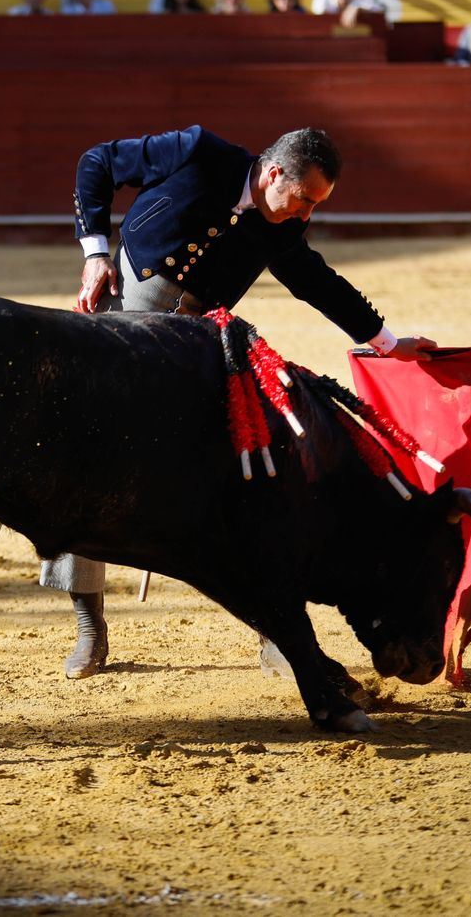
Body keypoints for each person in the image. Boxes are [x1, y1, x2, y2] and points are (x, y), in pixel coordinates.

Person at [51, 126, 438, 678]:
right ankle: (90, 624)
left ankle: (275, 633)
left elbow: (316, 283)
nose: (306, 215)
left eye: (316, 206)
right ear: (275, 173)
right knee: (90, 466)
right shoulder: (198, 153)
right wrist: (94, 253)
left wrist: (389, 342)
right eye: (305, 199)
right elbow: (96, 162)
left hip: (197, 341)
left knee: (245, 472)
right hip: (123, 313)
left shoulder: (281, 226)